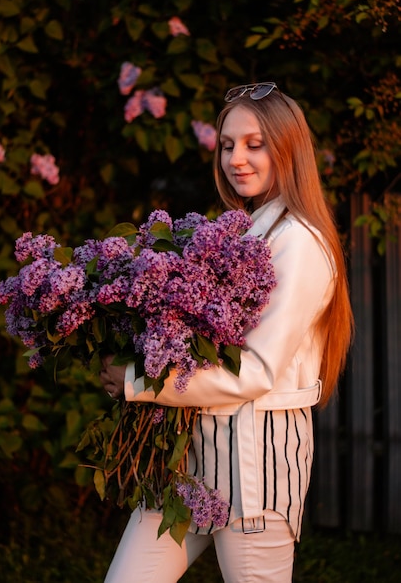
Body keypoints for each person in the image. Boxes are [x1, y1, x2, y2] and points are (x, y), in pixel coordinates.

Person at [99, 82, 353, 583]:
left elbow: (254, 372)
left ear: (288, 148)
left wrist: (137, 380)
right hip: (187, 465)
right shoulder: (247, 230)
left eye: (255, 144)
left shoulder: (298, 240)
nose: (237, 158)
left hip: (252, 470)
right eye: (229, 144)